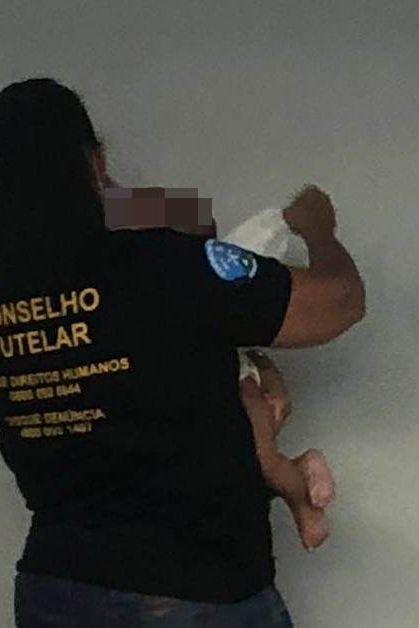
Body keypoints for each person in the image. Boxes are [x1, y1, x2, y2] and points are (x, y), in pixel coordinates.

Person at [0, 78, 365, 627]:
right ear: (94, 163)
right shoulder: (162, 268)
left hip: (53, 589)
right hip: (185, 589)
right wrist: (320, 230)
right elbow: (339, 302)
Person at [102, 183, 338, 551]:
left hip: (230, 375)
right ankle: (301, 472)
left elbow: (241, 236)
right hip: (194, 399)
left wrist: (288, 220)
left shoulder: (206, 270)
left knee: (259, 455)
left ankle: (303, 504)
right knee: (239, 459)